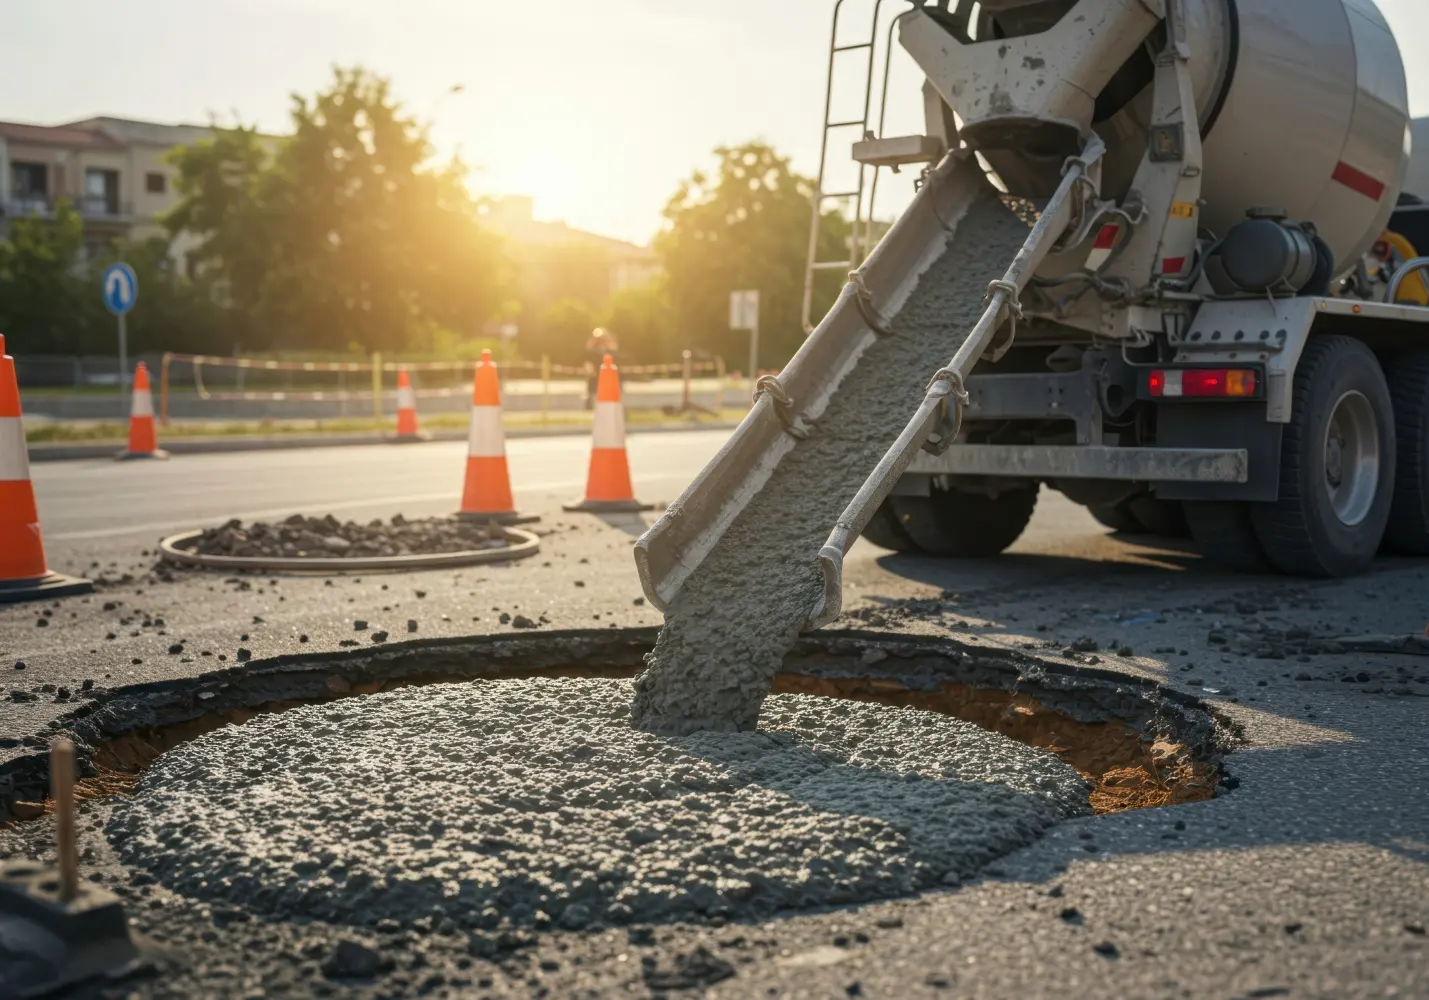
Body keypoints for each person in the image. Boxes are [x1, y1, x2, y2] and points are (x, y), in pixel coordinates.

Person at [584, 327, 619, 409]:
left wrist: (607, 339)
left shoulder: (608, 349)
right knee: (592, 389)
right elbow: (588, 355)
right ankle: (589, 404)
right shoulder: (593, 350)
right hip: (595, 373)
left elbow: (614, 350)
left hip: (606, 373)